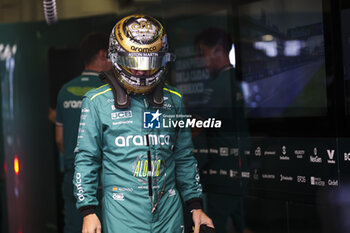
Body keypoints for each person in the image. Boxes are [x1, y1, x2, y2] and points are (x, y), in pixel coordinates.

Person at [73, 14, 214, 233]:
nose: (142, 70)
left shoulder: (174, 99)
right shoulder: (96, 101)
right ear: (116, 58)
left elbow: (184, 156)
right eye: (134, 61)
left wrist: (195, 206)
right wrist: (88, 211)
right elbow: (86, 159)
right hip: (122, 215)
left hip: (169, 214)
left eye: (151, 62)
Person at [193, 28, 250, 233]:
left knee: (212, 223)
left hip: (224, 167)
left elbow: (197, 124)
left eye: (202, 52)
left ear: (217, 50)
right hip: (236, 163)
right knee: (239, 223)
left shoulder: (221, 83)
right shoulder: (234, 78)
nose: (200, 59)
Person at [55, 32, 112, 233]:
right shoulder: (109, 90)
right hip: (105, 179)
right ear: (103, 54)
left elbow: (60, 140)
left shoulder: (65, 90)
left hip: (72, 176)